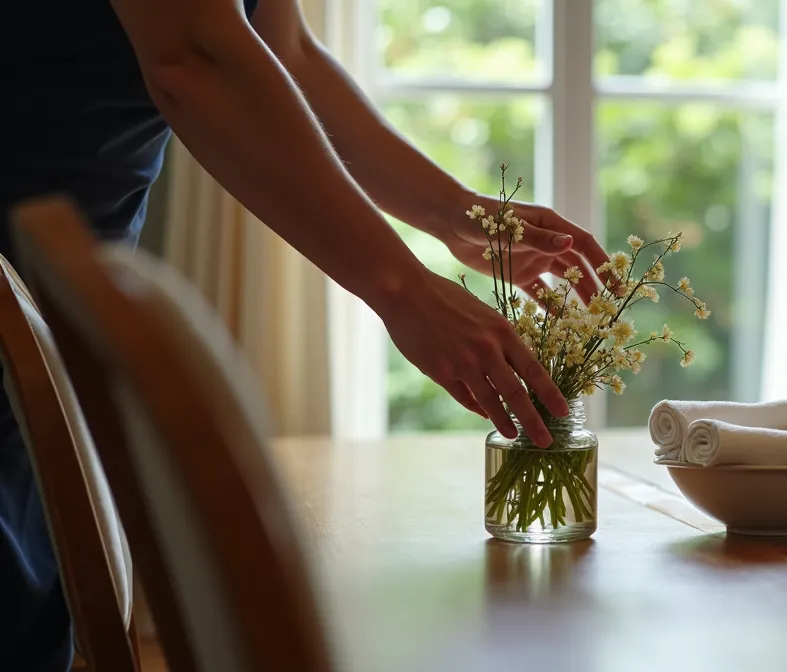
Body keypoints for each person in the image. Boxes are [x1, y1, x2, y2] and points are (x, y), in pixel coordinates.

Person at [1, 0, 608, 668]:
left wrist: (453, 213)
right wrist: (403, 290)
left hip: (40, 307)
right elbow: (195, 59)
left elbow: (280, 50)